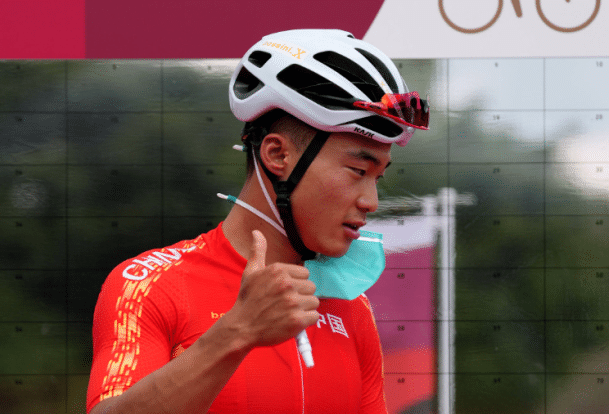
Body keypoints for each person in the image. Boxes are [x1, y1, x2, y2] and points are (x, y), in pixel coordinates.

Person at [86, 29, 429, 414]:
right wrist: (237, 331)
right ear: (277, 155)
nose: (371, 202)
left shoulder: (352, 309)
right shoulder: (150, 285)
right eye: (357, 171)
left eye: (377, 178)